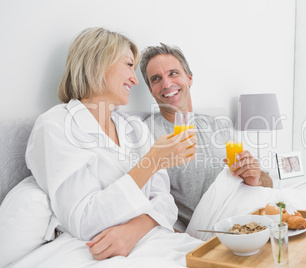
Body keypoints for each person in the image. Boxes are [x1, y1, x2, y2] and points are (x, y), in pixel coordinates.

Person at [25, 28, 198, 261]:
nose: (135, 79)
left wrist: (135, 229)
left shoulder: (135, 128)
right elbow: (84, 220)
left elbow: (165, 202)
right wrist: (151, 162)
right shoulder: (56, 126)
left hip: (150, 237)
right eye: (129, 65)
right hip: (97, 247)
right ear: (98, 62)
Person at [140, 43, 273, 231]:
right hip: (210, 232)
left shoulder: (218, 124)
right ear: (151, 90)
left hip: (251, 217)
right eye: (156, 79)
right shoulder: (146, 134)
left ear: (189, 78)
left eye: (173, 73)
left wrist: (256, 177)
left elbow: (268, 182)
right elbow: (149, 205)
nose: (167, 84)